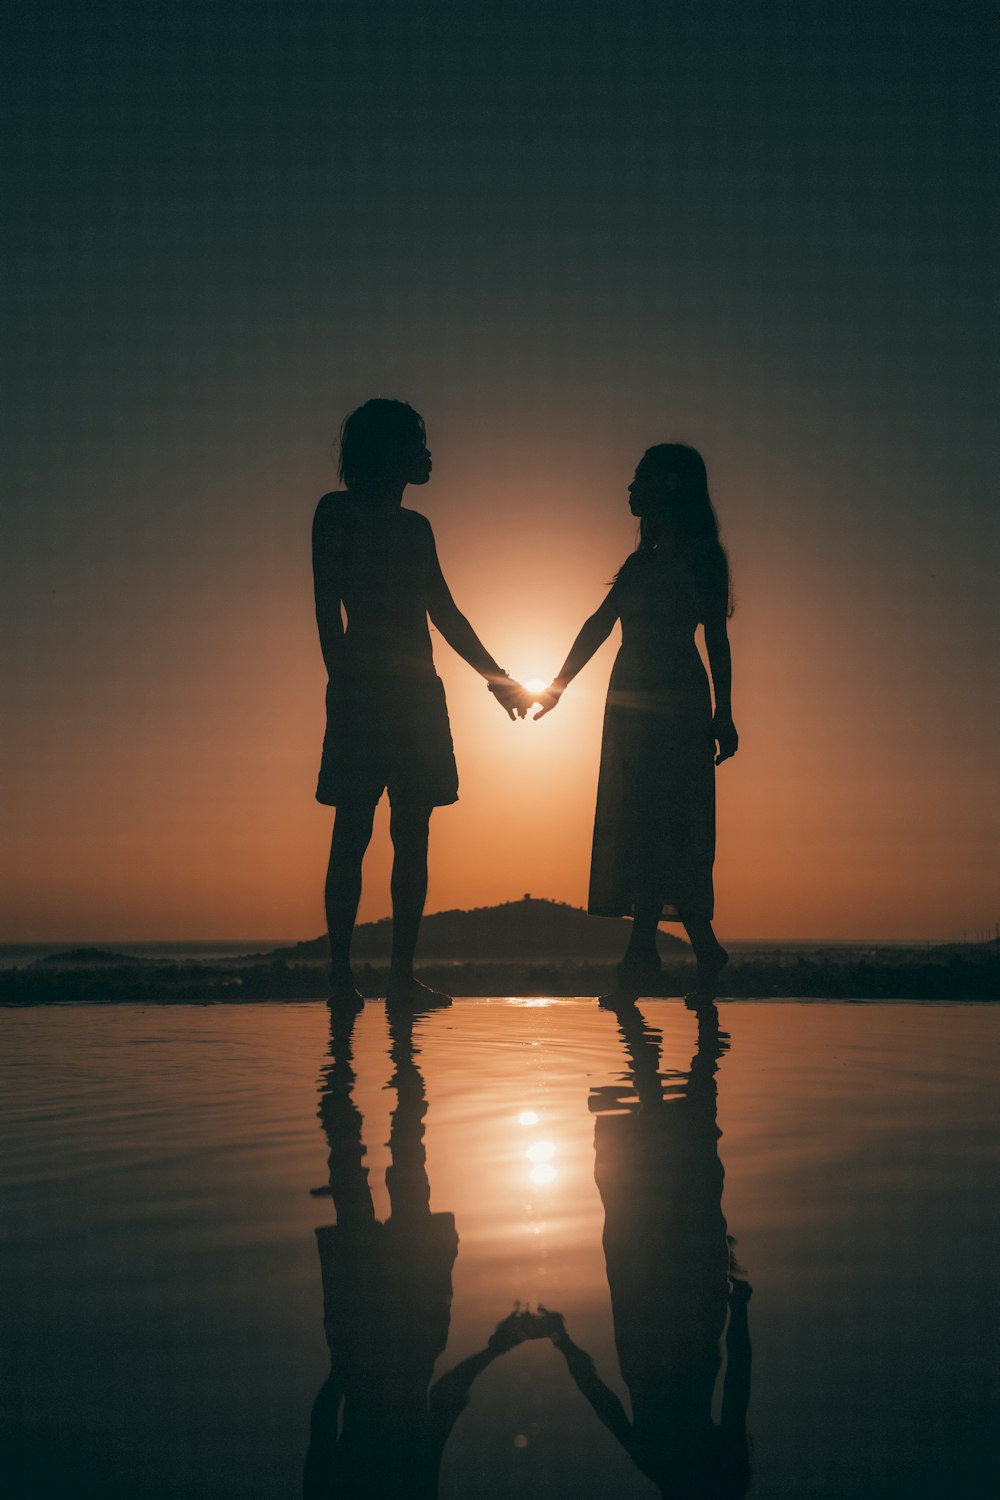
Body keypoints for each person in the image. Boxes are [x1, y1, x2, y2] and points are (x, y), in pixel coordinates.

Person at [313, 399, 529, 1008]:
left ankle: (397, 975)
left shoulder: (417, 528)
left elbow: (444, 613)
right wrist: (342, 683)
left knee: (411, 834)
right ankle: (340, 976)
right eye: (418, 442)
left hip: (415, 695)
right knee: (353, 831)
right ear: (390, 452)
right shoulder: (336, 514)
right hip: (365, 691)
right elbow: (327, 607)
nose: (429, 453)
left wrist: (496, 679)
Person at [535, 443, 737, 997]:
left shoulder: (702, 558)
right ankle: (687, 952)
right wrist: (557, 686)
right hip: (631, 704)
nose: (628, 491)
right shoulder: (640, 563)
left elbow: (716, 637)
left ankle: (642, 963)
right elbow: (599, 624)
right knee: (647, 827)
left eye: (637, 481)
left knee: (661, 825)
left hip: (674, 702)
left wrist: (724, 711)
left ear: (668, 487)